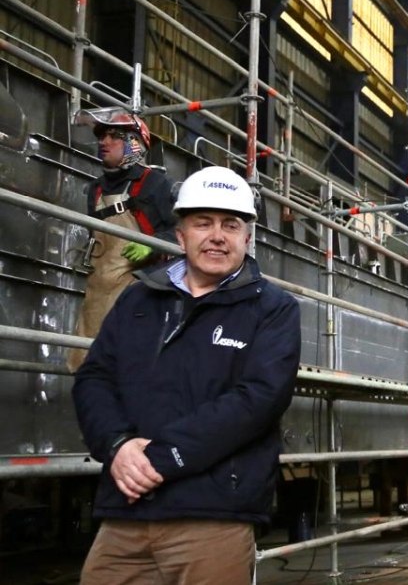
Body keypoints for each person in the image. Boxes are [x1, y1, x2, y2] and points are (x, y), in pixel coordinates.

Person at [72, 166, 301, 585]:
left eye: (230, 225)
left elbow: (258, 399)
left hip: (212, 515)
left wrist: (160, 458)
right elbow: (94, 379)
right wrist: (117, 446)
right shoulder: (137, 300)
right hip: (126, 511)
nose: (217, 236)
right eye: (203, 223)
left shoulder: (272, 309)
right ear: (180, 235)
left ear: (247, 238)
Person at [69, 107, 177, 371]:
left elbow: (182, 232)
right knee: (87, 361)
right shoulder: (96, 189)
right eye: (101, 136)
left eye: (114, 136)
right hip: (99, 289)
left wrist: (152, 244)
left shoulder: (154, 183)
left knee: (129, 361)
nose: (104, 142)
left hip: (138, 288)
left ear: (134, 144)